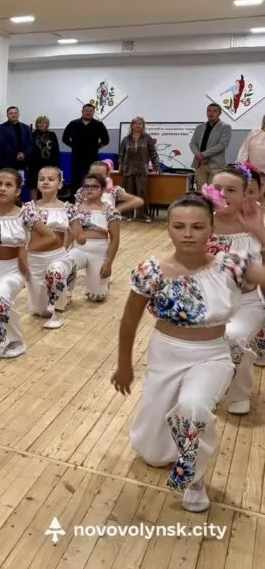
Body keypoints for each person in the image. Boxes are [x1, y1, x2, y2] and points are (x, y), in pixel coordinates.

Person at [114, 192, 265, 512]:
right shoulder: (151, 270)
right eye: (179, 226)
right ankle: (165, 446)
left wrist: (260, 234)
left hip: (212, 355)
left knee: (193, 406)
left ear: (211, 230)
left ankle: (193, 477)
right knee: (154, 453)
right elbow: (129, 320)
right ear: (167, 228)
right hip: (165, 354)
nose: (188, 234)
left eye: (197, 227)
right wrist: (124, 364)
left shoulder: (232, 265)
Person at [0, 169, 55, 357]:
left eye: (8, 185)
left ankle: (16, 342)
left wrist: (26, 250)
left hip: (14, 269)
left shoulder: (24, 214)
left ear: (17, 191)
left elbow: (51, 237)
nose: (2, 188)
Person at [201, 164, 265, 416]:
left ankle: (238, 393)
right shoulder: (200, 220)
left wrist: (257, 231)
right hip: (208, 302)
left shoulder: (257, 219)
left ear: (245, 193)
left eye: (231, 189)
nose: (223, 194)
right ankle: (210, 388)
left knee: (234, 337)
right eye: (217, 188)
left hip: (246, 303)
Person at [23, 167, 76, 329]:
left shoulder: (69, 208)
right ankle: (61, 292)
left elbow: (74, 232)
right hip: (34, 259)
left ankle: (58, 314)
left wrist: (65, 248)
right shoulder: (29, 207)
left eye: (50, 179)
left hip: (58, 256)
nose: (45, 182)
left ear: (59, 184)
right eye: (42, 179)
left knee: (56, 272)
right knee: (40, 311)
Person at [68, 173, 121, 302]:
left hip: (99, 252)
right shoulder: (74, 209)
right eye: (86, 186)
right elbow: (69, 233)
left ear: (102, 189)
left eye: (94, 186)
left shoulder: (110, 210)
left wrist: (108, 263)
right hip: (78, 249)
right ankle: (65, 293)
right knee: (65, 265)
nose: (90, 189)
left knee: (97, 297)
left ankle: (99, 285)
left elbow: (115, 239)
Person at [62, 104, 110, 196]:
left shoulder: (99, 125)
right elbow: (65, 139)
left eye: (90, 111)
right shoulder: (73, 124)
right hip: (77, 156)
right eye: (86, 110)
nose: (88, 112)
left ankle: (91, 197)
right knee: (76, 178)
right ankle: (76, 198)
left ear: (93, 112)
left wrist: (96, 147)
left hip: (92, 156)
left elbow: (106, 140)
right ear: (82, 112)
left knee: (92, 179)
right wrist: (74, 146)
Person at [118, 117, 160, 223]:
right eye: (135, 123)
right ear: (132, 125)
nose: (137, 125)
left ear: (143, 126)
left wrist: (157, 166)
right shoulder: (126, 139)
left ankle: (143, 215)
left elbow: (153, 154)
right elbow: (121, 155)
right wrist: (120, 167)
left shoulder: (147, 138)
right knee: (128, 192)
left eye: (140, 123)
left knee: (142, 192)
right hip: (128, 169)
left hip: (142, 169)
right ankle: (127, 215)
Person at [189, 103, 232, 189]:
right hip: (200, 164)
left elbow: (222, 145)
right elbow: (192, 143)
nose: (211, 113)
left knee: (214, 192)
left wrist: (203, 155)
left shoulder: (225, 127)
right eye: (209, 111)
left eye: (215, 111)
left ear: (219, 113)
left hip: (215, 165)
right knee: (201, 191)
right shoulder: (199, 127)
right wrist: (198, 155)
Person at [0, 107, 34, 197]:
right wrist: (16, 154)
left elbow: (31, 144)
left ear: (18, 114)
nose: (13, 115)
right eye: (11, 113)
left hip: (23, 162)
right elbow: (1, 144)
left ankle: (19, 203)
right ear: (7, 115)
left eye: (15, 113)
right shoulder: (1, 128)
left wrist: (24, 154)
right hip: (8, 162)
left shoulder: (26, 127)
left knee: (21, 185)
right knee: (8, 184)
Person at [27, 115, 60, 202]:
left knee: (49, 184)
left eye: (44, 123)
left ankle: (49, 202)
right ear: (36, 124)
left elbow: (56, 150)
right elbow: (29, 150)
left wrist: (56, 165)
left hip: (50, 164)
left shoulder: (52, 135)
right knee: (33, 184)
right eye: (39, 123)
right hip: (34, 165)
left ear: (47, 124)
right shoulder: (32, 135)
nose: (41, 125)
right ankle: (33, 204)